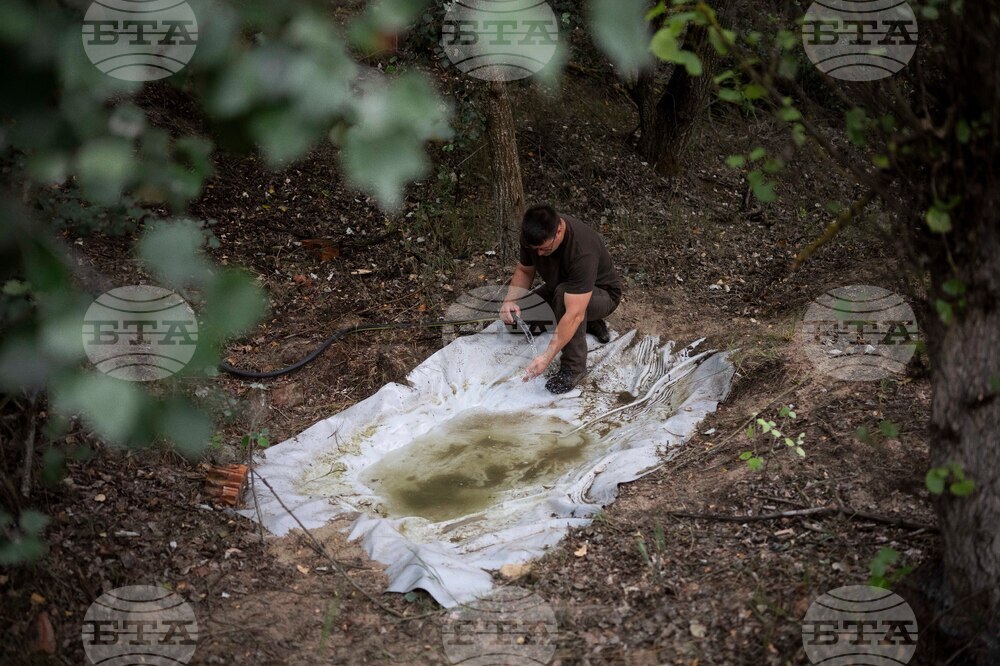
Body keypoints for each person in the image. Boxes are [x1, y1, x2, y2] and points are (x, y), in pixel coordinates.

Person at [500, 205, 623, 394]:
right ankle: (589, 323)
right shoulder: (532, 236)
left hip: (601, 294)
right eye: (536, 249)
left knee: (566, 302)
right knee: (517, 322)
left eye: (544, 248)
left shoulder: (582, 250)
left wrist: (546, 357)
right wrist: (509, 302)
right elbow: (525, 270)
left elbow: (573, 314)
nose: (539, 254)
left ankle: (574, 368)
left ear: (558, 231)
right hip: (559, 287)